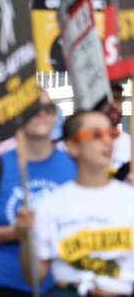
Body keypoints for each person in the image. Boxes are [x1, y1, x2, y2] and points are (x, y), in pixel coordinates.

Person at [0, 91, 76, 296]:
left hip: (55, 285)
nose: (41, 114)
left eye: (47, 109)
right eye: (32, 109)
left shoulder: (72, 169)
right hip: (0, 283)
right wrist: (15, 231)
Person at [17, 110, 134, 297]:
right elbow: (35, 277)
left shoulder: (129, 199)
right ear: (72, 146)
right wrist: (25, 236)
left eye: (112, 133)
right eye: (96, 134)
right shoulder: (51, 204)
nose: (108, 141)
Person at [98, 81, 129, 170]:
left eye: (118, 99)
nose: (113, 105)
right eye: (107, 99)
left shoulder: (130, 145)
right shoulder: (79, 143)